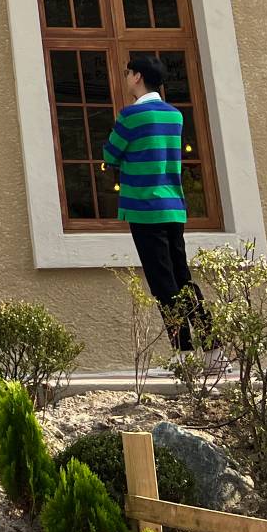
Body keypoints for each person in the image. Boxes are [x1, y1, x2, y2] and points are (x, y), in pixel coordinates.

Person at [103, 53, 213, 351]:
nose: (127, 79)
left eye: (128, 73)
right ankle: (212, 347)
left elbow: (110, 154)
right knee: (182, 277)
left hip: (144, 208)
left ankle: (183, 351)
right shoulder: (174, 115)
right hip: (173, 206)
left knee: (162, 283)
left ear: (137, 76)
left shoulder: (130, 116)